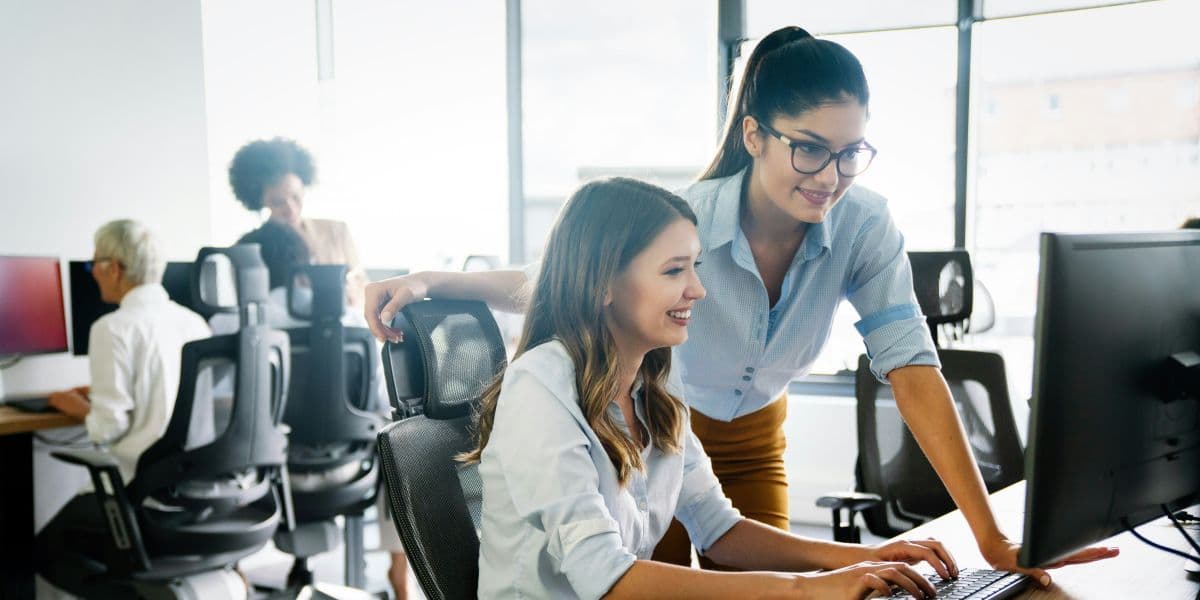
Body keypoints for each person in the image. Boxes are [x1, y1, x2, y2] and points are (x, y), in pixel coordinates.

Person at [364, 26, 1118, 586]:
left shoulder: (661, 384)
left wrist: (898, 554)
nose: (833, 174)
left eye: (853, 151)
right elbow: (550, 276)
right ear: (755, 135)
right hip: (616, 431)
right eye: (812, 149)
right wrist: (433, 280)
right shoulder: (569, 360)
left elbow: (728, 528)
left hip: (710, 418)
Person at [464, 178, 956, 599]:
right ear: (603, 285)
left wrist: (859, 559)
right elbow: (603, 576)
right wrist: (808, 588)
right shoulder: (540, 387)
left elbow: (717, 528)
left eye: (696, 266)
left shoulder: (657, 380)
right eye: (674, 270)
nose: (698, 289)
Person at [211, 221, 410, 599]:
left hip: (270, 477)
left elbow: (212, 398)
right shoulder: (352, 319)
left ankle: (234, 579)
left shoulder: (236, 323)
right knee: (398, 439)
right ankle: (401, 577)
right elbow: (386, 402)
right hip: (350, 475)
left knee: (215, 435)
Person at [39, 219, 212, 595]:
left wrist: (75, 406)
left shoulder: (112, 328)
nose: (93, 273)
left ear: (113, 268)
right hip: (196, 495)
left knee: (44, 550)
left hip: (142, 497)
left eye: (93, 264)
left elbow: (107, 427)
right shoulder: (194, 323)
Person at [228, 137, 367, 308]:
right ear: (260, 201)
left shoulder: (336, 231)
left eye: (296, 197)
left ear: (303, 187)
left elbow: (361, 284)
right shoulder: (249, 247)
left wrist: (352, 292)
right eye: (278, 202)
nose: (291, 208)